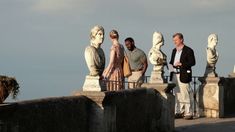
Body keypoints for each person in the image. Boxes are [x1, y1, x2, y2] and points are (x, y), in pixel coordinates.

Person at [169, 33, 196, 120]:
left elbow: (192, 62)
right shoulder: (174, 50)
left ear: (181, 39)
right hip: (174, 75)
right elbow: (171, 62)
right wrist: (170, 68)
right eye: (173, 40)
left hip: (183, 74)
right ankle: (179, 112)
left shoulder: (189, 50)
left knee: (185, 94)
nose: (174, 42)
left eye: (176, 40)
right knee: (177, 94)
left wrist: (181, 64)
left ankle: (188, 113)